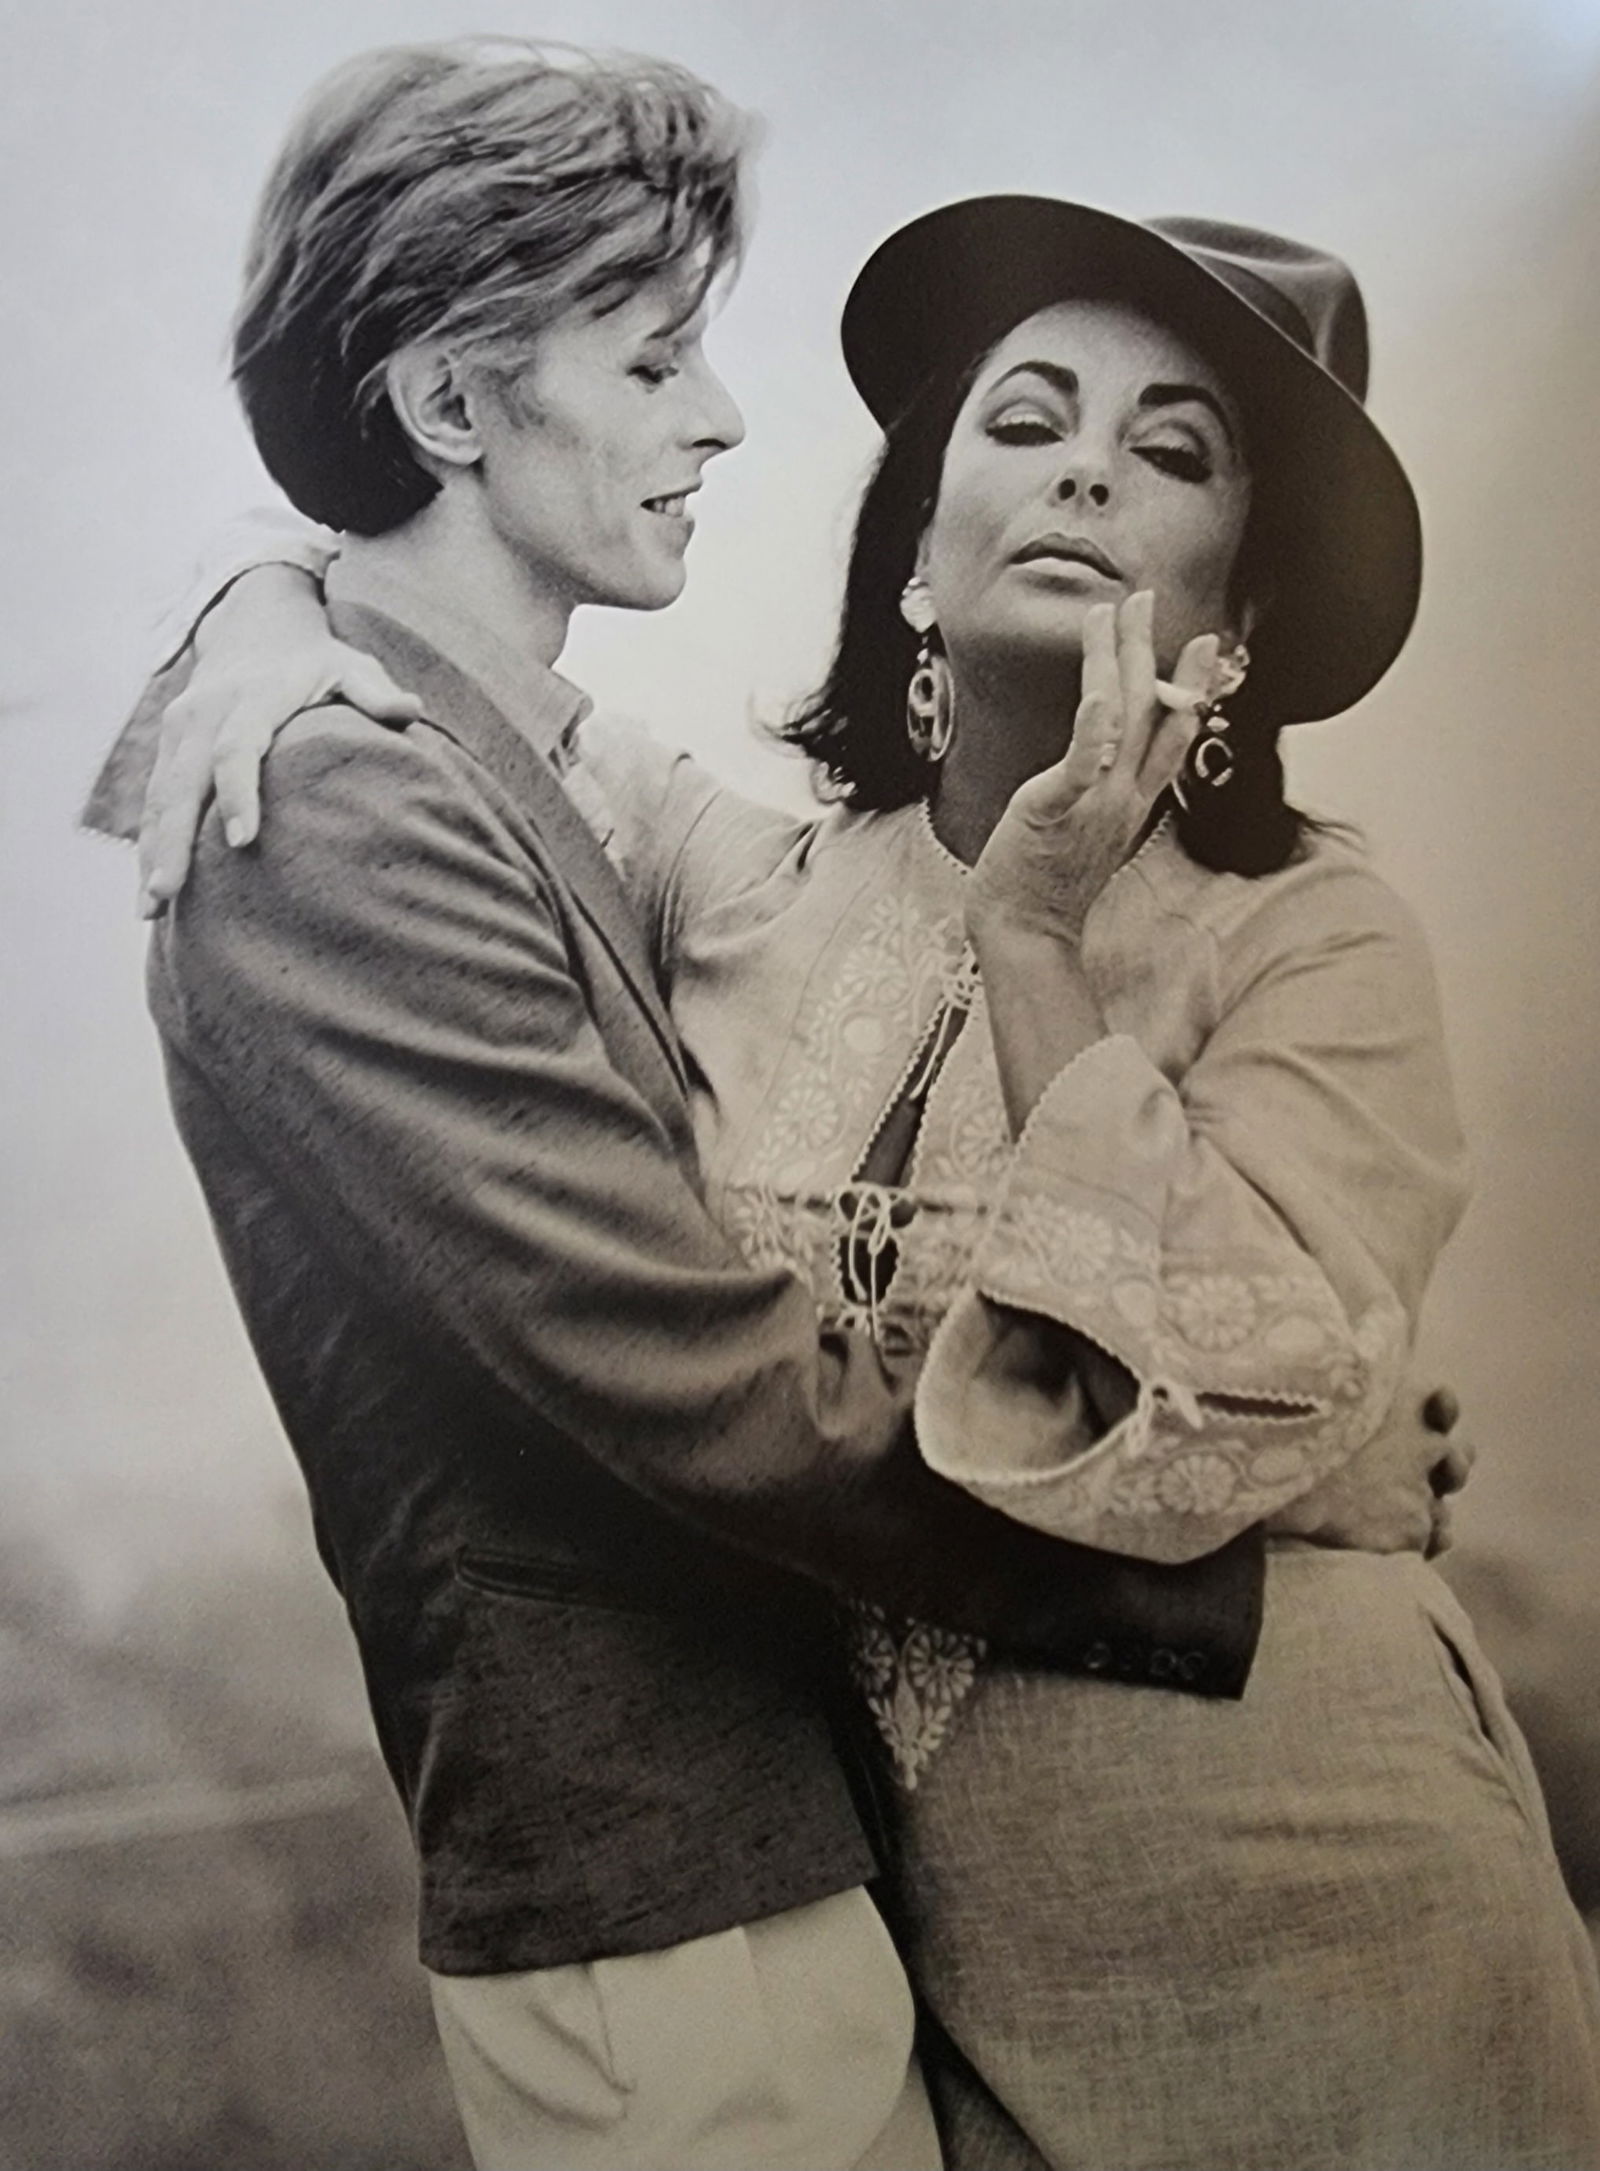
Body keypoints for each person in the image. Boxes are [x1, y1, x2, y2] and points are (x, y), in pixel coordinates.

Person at [107, 181, 1600, 2169]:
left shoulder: (1313, 943)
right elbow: (428, 640)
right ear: (912, 556)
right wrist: (252, 618)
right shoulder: (727, 878)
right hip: (906, 1959)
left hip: (1307, 1905)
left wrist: (1036, 938)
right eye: (1024, 420)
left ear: (1236, 623)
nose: (1085, 469)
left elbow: (1198, 1421)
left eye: (1172, 455)